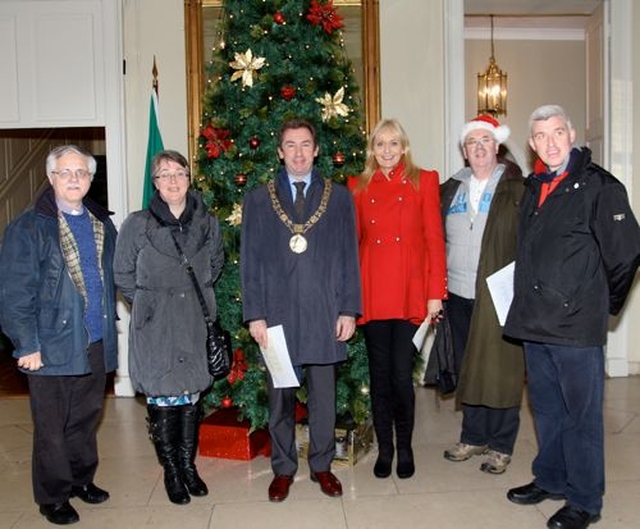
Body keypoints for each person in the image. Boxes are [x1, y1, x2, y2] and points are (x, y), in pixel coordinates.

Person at [504, 105, 640, 529]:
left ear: (573, 134)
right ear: (532, 145)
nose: (551, 142)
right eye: (541, 136)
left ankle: (584, 500)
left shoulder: (600, 186)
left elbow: (627, 254)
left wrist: (597, 304)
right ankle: (552, 477)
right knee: (545, 408)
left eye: (557, 133)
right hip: (534, 323)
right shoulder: (534, 186)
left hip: (576, 327)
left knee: (581, 416)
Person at [241, 118, 361, 502]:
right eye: (290, 145)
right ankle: (283, 468)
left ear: (317, 149)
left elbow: (348, 257)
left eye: (305, 144)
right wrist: (255, 314)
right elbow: (250, 261)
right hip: (276, 316)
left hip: (324, 312)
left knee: (323, 397)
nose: (298, 152)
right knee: (281, 396)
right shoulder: (259, 199)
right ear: (279, 151)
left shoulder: (339, 197)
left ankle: (322, 466)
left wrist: (348, 310)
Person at [0, 145, 118, 525]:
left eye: (80, 172)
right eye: (65, 172)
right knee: (51, 427)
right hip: (49, 345)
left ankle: (81, 480)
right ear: (51, 177)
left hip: (95, 341)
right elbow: (14, 292)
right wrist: (27, 344)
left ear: (90, 179)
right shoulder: (29, 226)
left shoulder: (103, 223)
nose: (73, 179)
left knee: (85, 419)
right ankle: (52, 496)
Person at [114, 150, 224, 505]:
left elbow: (217, 264)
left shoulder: (207, 223)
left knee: (191, 396)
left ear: (189, 179)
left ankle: (189, 467)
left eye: (179, 173)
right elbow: (122, 274)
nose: (173, 181)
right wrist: (149, 305)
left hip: (194, 320)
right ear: (155, 183)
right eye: (165, 174)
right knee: (163, 397)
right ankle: (172, 471)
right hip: (155, 326)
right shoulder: (137, 224)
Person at [348, 118, 447, 479]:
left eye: (393, 143)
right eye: (380, 144)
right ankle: (384, 449)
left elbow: (435, 241)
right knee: (379, 377)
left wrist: (436, 293)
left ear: (404, 146)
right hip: (373, 290)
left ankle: (404, 447)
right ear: (372, 149)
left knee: (402, 378)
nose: (387, 150)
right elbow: (353, 244)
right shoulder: (357, 187)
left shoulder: (424, 181)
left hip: (410, 293)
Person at [440, 115, 525, 475]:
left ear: (497, 146)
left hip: (500, 294)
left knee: (502, 369)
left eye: (485, 141)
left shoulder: (518, 188)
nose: (478, 148)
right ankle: (473, 436)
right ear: (464, 150)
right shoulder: (450, 188)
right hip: (458, 292)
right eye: (471, 142)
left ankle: (502, 444)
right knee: (467, 367)